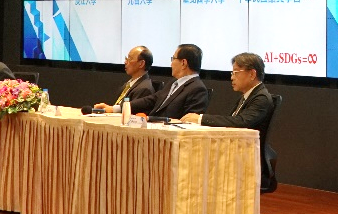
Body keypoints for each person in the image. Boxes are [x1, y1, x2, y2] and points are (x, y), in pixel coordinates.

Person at [180, 52, 275, 187]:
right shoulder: (248, 96)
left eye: (236, 73)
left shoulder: (261, 98)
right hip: (237, 154)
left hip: (248, 160)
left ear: (252, 74)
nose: (232, 77)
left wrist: (201, 118)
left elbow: (241, 122)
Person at [95, 44, 207, 119]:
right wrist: (116, 108)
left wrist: (150, 119)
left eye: (173, 59)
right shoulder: (173, 83)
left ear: (183, 63)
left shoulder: (197, 89)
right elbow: (151, 100)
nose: (171, 64)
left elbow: (188, 121)